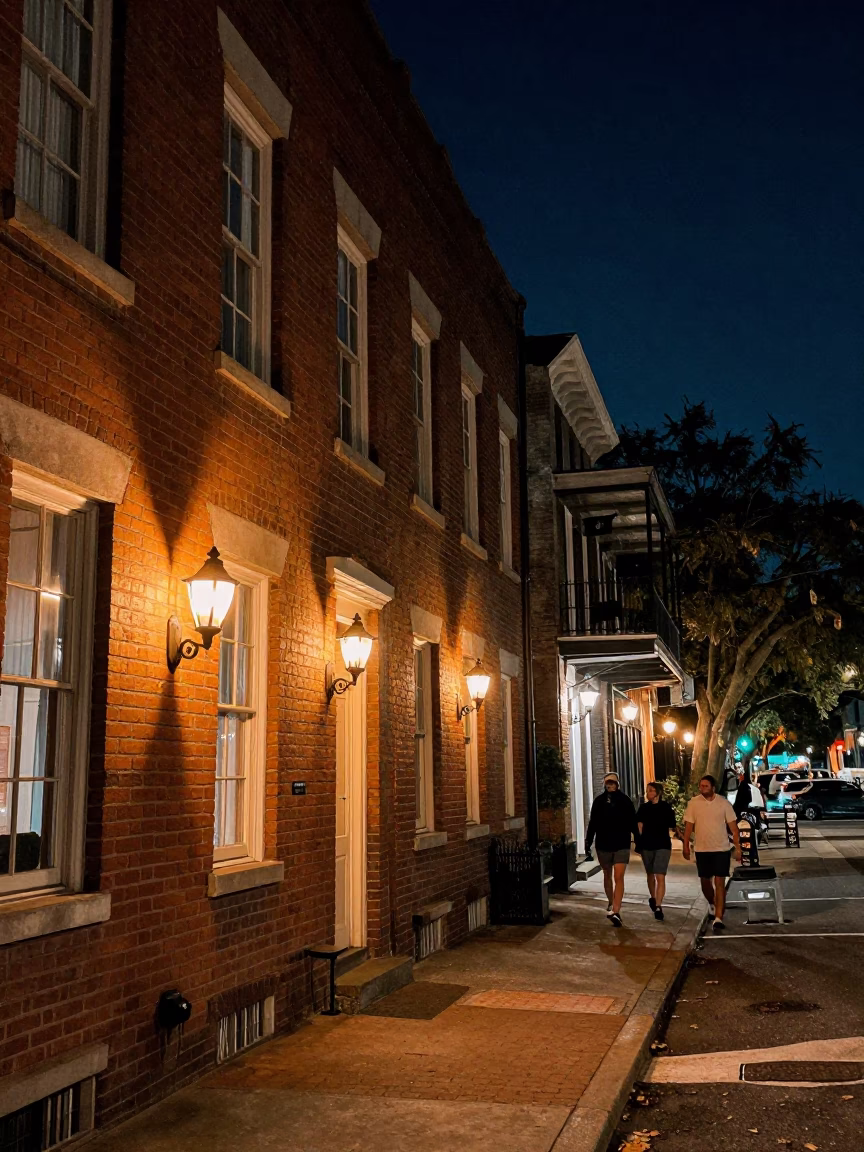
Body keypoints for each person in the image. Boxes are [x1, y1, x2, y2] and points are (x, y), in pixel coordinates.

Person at [682, 774, 742, 934]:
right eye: (701, 786)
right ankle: (713, 902)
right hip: (702, 849)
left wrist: (738, 848)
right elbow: (688, 826)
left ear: (713, 788)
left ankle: (718, 917)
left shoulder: (724, 804)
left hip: (721, 849)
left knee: (720, 882)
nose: (702, 789)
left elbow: (734, 828)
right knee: (705, 883)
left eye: (705, 786)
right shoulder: (694, 803)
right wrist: (686, 845)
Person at [585, 772, 639, 928]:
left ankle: (616, 910)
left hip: (621, 843)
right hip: (603, 844)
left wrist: (637, 840)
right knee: (607, 874)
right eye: (607, 783)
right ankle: (611, 901)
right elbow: (593, 822)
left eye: (612, 782)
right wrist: (588, 841)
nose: (609, 785)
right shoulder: (599, 801)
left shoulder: (625, 801)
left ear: (617, 784)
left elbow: (632, 822)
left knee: (619, 876)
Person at [636, 781, 677, 921]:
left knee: (660, 875)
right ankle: (653, 897)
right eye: (648, 791)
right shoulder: (643, 808)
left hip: (662, 845)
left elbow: (672, 825)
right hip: (647, 844)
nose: (649, 793)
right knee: (650, 873)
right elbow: (639, 826)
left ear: (658, 793)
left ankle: (659, 905)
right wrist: (639, 842)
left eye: (652, 791)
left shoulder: (665, 807)